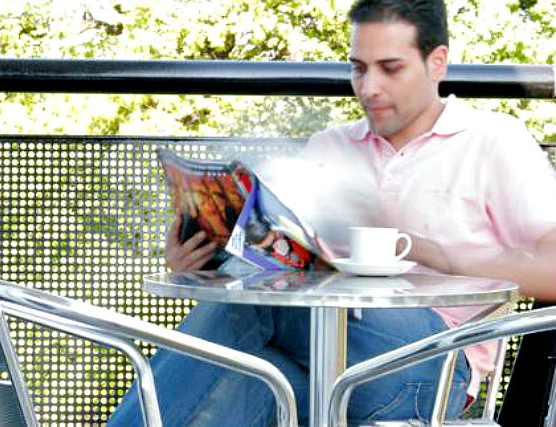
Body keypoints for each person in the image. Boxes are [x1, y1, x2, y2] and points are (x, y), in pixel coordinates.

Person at [108, 0, 556, 426]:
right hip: (321, 356)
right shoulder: (332, 147)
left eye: (390, 68)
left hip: (434, 366)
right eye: (358, 68)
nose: (369, 88)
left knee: (255, 313)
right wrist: (204, 261)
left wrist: (440, 255)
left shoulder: (493, 141)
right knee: (249, 383)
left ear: (436, 62)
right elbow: (277, 261)